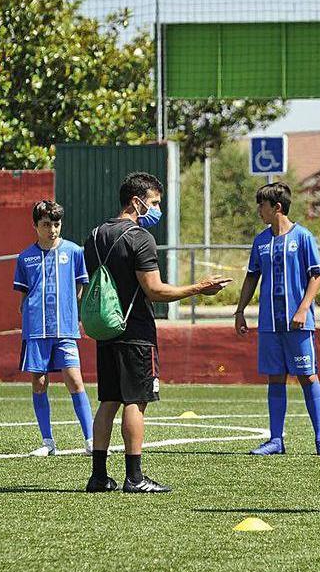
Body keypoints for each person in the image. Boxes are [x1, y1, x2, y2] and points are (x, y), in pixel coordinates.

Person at [83, 172, 230, 493]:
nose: (157, 210)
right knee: (136, 401)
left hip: (106, 328)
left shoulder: (94, 235)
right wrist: (200, 288)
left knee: (108, 400)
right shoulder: (140, 238)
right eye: (155, 203)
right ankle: (135, 477)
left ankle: (98, 476)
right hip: (135, 331)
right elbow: (155, 291)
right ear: (137, 202)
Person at [234, 182, 320, 456]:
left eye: (261, 205)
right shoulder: (260, 241)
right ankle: (276, 440)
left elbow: (317, 275)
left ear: (277, 207)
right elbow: (252, 276)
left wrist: (302, 309)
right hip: (269, 324)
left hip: (298, 324)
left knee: (307, 376)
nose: (258, 211)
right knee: (275, 378)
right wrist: (240, 311)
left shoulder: (303, 237)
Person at [13, 200, 94, 457]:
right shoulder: (25, 257)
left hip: (65, 329)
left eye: (56, 224)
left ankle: (91, 440)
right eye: (47, 224)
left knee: (75, 380)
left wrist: (69, 309)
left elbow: (80, 287)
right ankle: (48, 442)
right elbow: (23, 296)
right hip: (36, 330)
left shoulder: (73, 252)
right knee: (40, 383)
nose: (53, 230)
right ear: (35, 226)